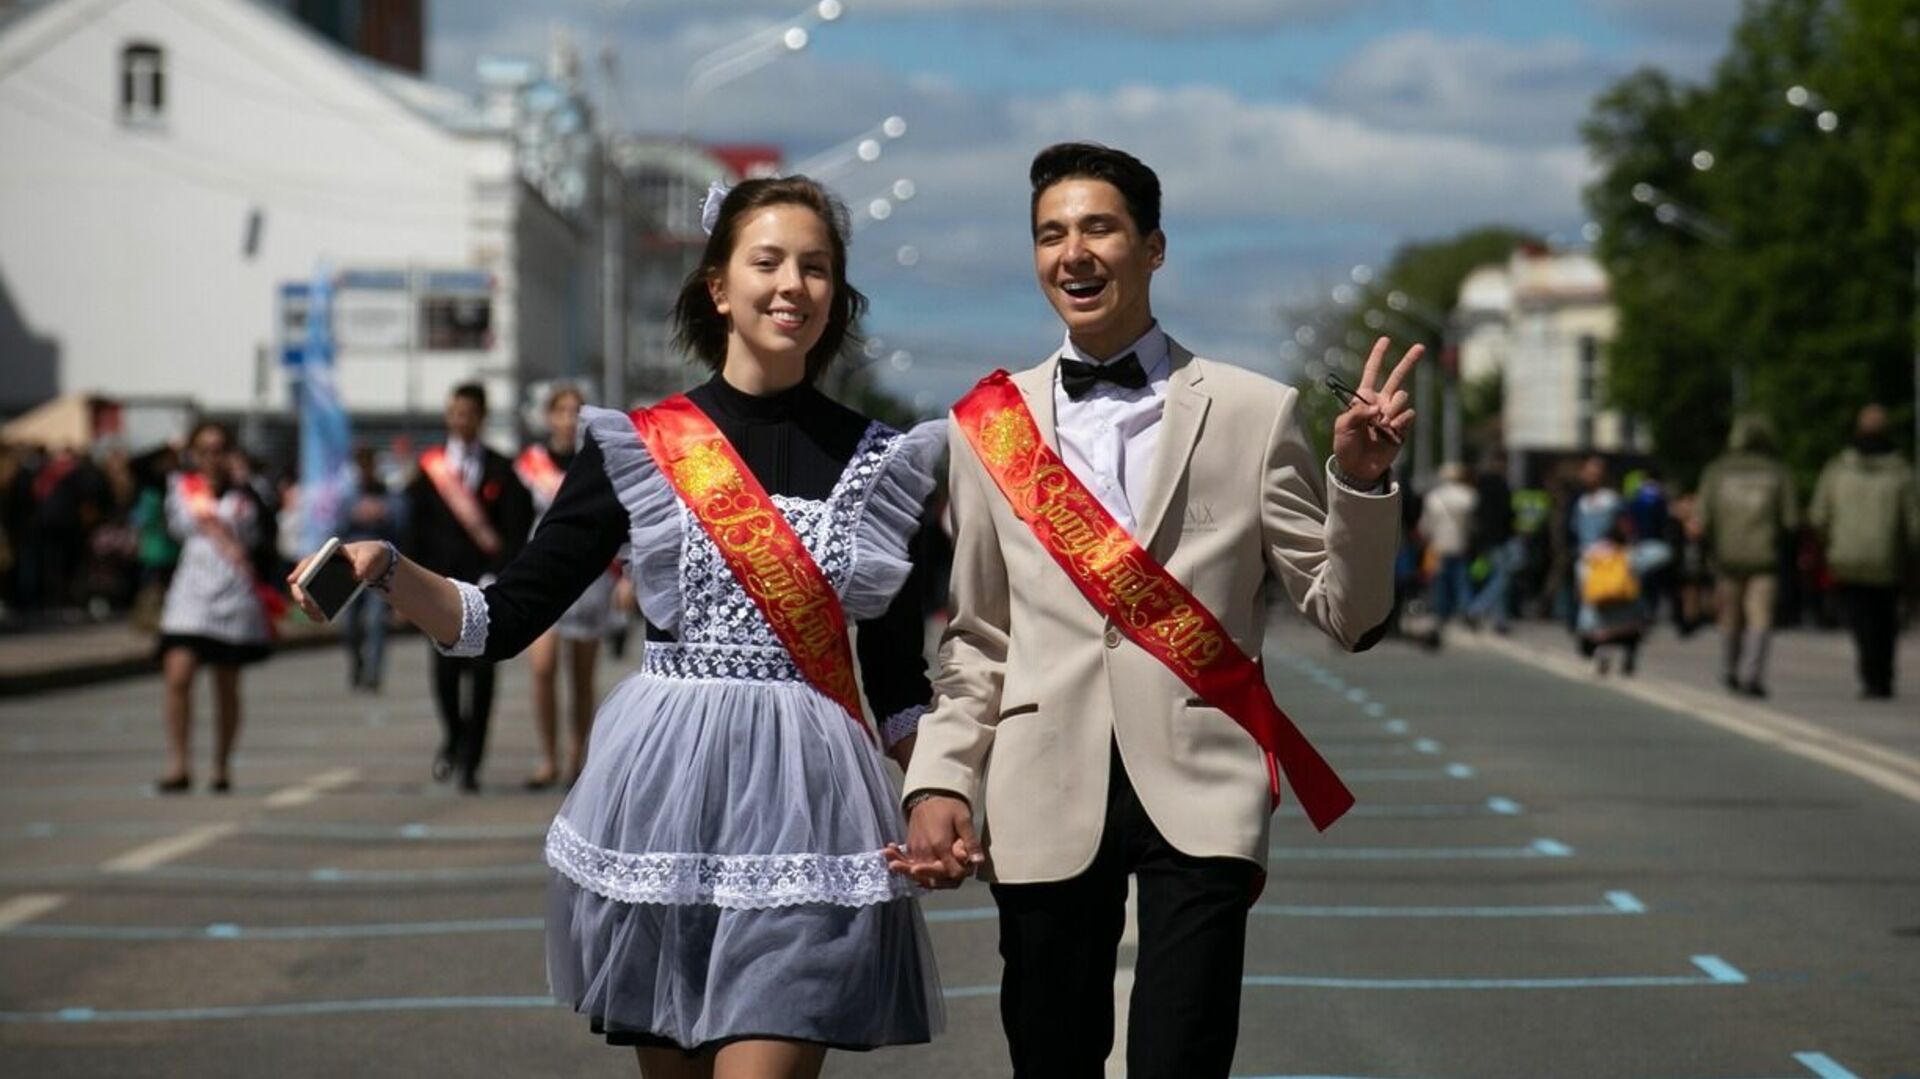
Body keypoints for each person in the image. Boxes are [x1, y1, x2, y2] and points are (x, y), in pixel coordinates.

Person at [290, 175, 946, 1077]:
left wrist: (943, 790)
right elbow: (500, 617)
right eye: (768, 262)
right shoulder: (642, 446)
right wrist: (386, 567)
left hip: (808, 811)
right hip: (666, 802)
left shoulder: (880, 463)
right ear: (719, 286)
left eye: (816, 266)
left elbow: (900, 683)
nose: (793, 284)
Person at [895, 143, 1410, 1079]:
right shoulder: (986, 429)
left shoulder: (1253, 411)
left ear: (1154, 248)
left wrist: (1361, 484)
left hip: (1201, 785)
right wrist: (940, 781)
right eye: (1051, 234)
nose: (1073, 254)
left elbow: (1348, 613)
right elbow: (977, 637)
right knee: (1051, 1058)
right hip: (1042, 781)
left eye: (1099, 228)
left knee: (1182, 1057)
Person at [403, 383, 533, 791]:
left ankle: (472, 762)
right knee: (444, 673)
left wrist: (500, 573)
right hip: (438, 586)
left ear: (481, 417)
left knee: (482, 676)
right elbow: (414, 530)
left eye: (469, 413)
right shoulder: (429, 471)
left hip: (485, 587)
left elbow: (515, 528)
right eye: (455, 412)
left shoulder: (501, 468)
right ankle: (453, 737)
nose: (461, 420)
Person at [154, 422, 278, 793]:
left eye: (219, 448)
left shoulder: (247, 492)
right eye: (204, 449)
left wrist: (245, 481)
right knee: (178, 674)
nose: (212, 456)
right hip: (190, 591)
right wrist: (173, 447)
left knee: (226, 684)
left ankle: (221, 766)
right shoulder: (181, 486)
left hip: (234, 591)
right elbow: (137, 468)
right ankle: (179, 763)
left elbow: (268, 532)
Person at [516, 385, 617, 788]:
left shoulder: (598, 462)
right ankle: (548, 756)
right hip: (543, 569)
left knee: (581, 674)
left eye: (577, 411)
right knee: (542, 667)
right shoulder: (530, 463)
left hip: (590, 574)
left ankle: (575, 756)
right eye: (561, 411)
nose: (569, 419)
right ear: (548, 416)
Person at [1810, 404, 1919, 700]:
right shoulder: (1901, 472)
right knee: (1885, 619)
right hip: (1887, 557)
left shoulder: (1838, 469)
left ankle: (1869, 673)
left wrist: (1830, 544)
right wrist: (1910, 552)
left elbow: (1819, 515)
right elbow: (1913, 521)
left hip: (1847, 556)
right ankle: (1883, 676)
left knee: (1860, 619)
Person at [1699, 414, 1798, 698]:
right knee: (1760, 616)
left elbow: (1702, 518)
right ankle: (1752, 674)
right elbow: (1791, 520)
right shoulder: (1778, 473)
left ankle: (1729, 669)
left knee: (1729, 616)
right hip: (1765, 558)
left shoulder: (1717, 472)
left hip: (1726, 557)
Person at [339, 446, 399, 692]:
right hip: (351, 567)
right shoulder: (348, 495)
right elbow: (333, 525)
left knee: (376, 621)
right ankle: (357, 663)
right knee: (350, 624)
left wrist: (384, 514)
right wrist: (353, 515)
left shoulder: (387, 493)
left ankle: (373, 672)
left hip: (378, 568)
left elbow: (402, 521)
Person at [1419, 461, 1477, 632]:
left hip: (1439, 544)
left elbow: (1426, 524)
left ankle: (1441, 613)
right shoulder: (1469, 495)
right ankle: (1466, 609)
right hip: (1460, 543)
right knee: (1461, 579)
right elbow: (1472, 523)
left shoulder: (1433, 497)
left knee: (1440, 581)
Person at [1464, 453, 1517, 633]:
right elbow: (1506, 513)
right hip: (1498, 538)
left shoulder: (1482, 485)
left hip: (1485, 539)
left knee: (1497, 577)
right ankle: (1476, 609)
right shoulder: (1500, 485)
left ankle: (1500, 620)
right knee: (1502, 579)